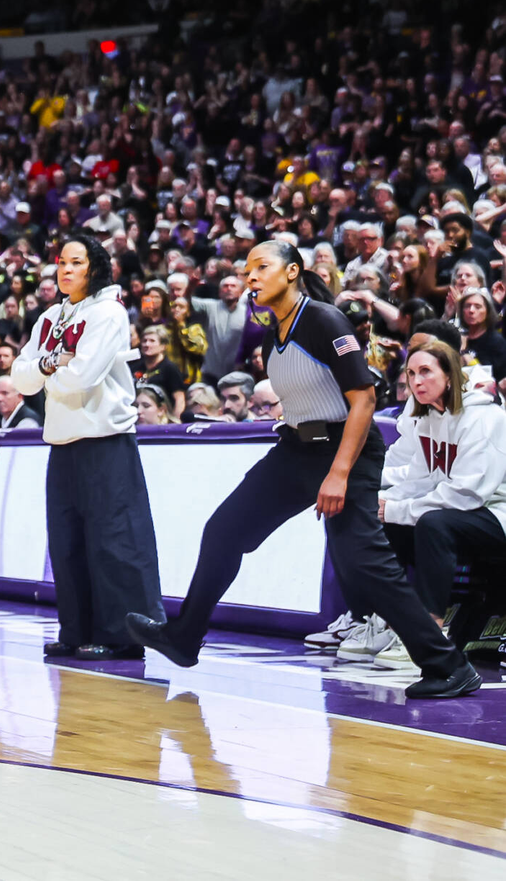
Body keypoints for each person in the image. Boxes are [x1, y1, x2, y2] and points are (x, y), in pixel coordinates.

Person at [129, 240, 482, 699]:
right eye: (247, 267)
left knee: (363, 561)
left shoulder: (323, 320)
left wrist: (337, 473)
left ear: (292, 271)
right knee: (223, 532)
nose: (251, 275)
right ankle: (184, 637)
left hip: (346, 450)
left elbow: (364, 399)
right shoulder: (272, 332)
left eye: (262, 266)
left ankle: (448, 665)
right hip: (296, 449)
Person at [10, 234, 163, 660]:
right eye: (61, 262)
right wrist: (48, 364)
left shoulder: (109, 312)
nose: (65, 269)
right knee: (68, 541)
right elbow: (20, 379)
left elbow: (82, 377)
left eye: (75, 262)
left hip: (106, 440)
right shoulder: (48, 319)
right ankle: (76, 630)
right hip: (61, 441)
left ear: (94, 268)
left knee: (113, 542)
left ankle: (123, 636)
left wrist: (50, 373)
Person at [367, 341, 506, 669]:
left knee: (432, 522)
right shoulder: (428, 417)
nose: (416, 381)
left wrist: (399, 508)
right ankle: (392, 623)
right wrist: (383, 500)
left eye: (426, 372)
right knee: (387, 521)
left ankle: (430, 635)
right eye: (411, 373)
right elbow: (423, 478)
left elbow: (467, 494)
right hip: (467, 510)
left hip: (497, 511)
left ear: (450, 375)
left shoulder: (485, 418)